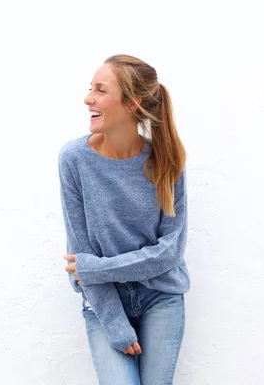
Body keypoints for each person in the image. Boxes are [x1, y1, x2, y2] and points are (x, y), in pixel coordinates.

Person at [58, 54, 189, 384]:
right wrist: (115, 323)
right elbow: (80, 254)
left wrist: (96, 269)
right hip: (104, 301)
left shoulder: (166, 159)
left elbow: (170, 251)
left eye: (101, 90)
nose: (89, 98)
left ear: (132, 103)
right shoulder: (74, 159)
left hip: (161, 297)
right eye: (91, 88)